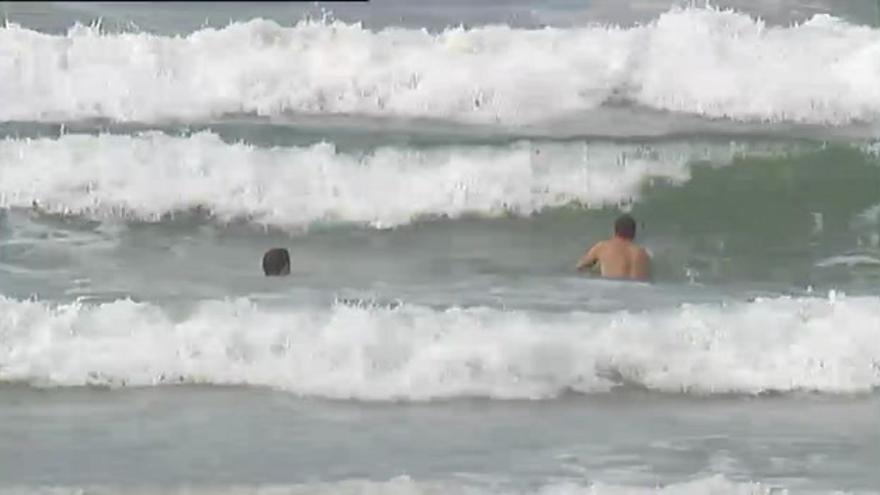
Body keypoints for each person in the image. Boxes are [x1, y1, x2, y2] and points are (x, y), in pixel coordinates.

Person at [575, 214, 651, 281]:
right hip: (638, 292)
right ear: (634, 233)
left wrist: (595, 273)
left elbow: (580, 267)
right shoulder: (642, 253)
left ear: (615, 231)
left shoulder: (603, 247)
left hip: (612, 292)